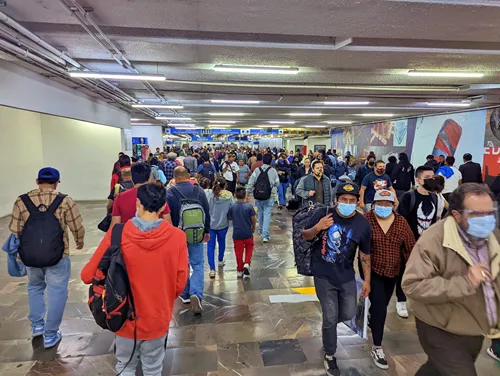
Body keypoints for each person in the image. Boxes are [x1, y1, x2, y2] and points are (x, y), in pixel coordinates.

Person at [81, 183, 188, 376]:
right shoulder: (177, 237)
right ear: (164, 207)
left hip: (123, 318)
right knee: (153, 368)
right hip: (158, 318)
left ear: (138, 203)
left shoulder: (117, 234)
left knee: (125, 366)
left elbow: (87, 275)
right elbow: (180, 283)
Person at [402, 183, 500, 376]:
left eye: (490, 213)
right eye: (477, 214)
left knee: (438, 370)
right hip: (439, 324)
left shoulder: (494, 237)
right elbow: (413, 285)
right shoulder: (434, 240)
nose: (486, 220)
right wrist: (465, 282)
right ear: (457, 215)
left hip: (474, 325)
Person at [9, 167, 85, 348]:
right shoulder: (65, 200)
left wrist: (19, 254)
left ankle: (37, 326)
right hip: (58, 255)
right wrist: (79, 241)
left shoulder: (22, 201)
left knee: (35, 287)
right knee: (57, 291)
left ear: (37, 181)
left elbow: (15, 230)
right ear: (57, 182)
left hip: (31, 255)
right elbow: (77, 225)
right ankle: (50, 335)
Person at [302, 182, 371, 376]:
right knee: (331, 315)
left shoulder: (363, 224)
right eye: (343, 200)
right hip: (323, 274)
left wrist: (367, 280)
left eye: (351, 200)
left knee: (349, 312)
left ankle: (328, 324)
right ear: (336, 200)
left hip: (347, 275)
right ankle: (330, 354)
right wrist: (318, 227)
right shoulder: (323, 214)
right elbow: (305, 236)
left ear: (357, 202)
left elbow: (365, 255)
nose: (347, 203)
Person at [363, 190, 416, 369]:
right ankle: (377, 346)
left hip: (393, 272)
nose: (383, 207)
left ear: (393, 205)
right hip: (372, 271)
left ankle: (373, 317)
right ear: (374, 204)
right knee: (379, 306)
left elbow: (410, 247)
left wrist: (413, 271)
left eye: (387, 204)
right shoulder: (366, 220)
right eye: (380, 203)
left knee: (382, 304)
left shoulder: (401, 222)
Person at [166, 167, 210, 314]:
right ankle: (196, 293)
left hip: (178, 234)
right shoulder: (199, 191)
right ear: (188, 176)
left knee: (182, 264)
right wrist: (207, 231)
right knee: (198, 264)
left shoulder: (170, 193)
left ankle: (185, 294)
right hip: (197, 232)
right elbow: (206, 212)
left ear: (175, 177)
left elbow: (168, 216)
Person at [396, 165, 438, 317]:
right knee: (403, 271)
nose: (431, 180)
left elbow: (435, 220)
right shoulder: (409, 197)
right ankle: (401, 301)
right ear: (418, 180)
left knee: (426, 273)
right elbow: (400, 220)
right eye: (428, 178)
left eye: (433, 177)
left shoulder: (435, 197)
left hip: (427, 245)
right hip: (408, 244)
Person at [246, 153, 279, 243]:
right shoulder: (273, 171)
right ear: (270, 161)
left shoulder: (257, 170)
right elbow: (277, 183)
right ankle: (265, 236)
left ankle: (260, 230)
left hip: (258, 196)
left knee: (260, 213)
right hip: (269, 196)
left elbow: (251, 182)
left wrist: (247, 193)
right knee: (267, 214)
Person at [206, 177, 233, 279]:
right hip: (223, 224)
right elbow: (232, 208)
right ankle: (220, 260)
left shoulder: (209, 195)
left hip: (211, 225)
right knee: (222, 242)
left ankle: (212, 269)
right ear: (225, 185)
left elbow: (206, 208)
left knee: (210, 246)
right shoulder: (229, 196)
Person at [228, 187, 256, 278]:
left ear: (235, 195)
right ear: (245, 195)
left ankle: (239, 270)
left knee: (238, 252)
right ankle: (247, 263)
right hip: (247, 232)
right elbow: (253, 219)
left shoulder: (232, 206)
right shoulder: (249, 207)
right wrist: (253, 227)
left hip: (237, 233)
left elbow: (229, 217)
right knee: (249, 247)